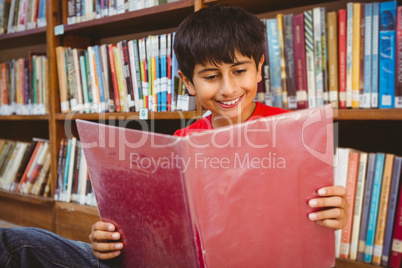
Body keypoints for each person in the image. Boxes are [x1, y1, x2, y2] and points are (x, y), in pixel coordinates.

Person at [0, 5, 347, 267]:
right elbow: (151, 227)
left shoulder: (295, 132)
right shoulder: (183, 141)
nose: (228, 88)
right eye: (211, 76)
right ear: (188, 84)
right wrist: (108, 238)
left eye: (239, 71)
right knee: (17, 243)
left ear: (259, 69)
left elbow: (316, 219)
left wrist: (332, 216)